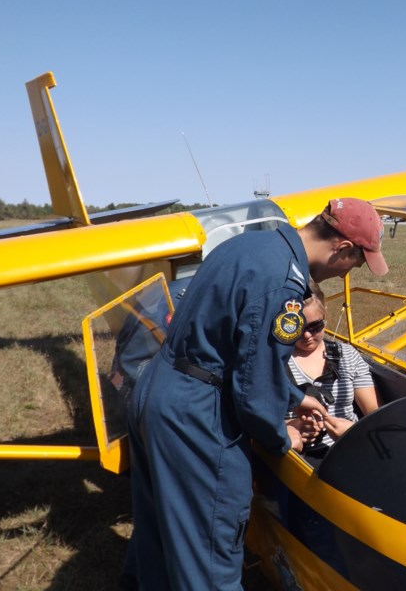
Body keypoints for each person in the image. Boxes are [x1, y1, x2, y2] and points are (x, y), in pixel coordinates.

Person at [124, 198, 388, 591]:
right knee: (210, 547)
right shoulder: (285, 286)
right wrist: (284, 436)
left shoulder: (253, 245)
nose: (352, 271)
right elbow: (254, 384)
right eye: (358, 262)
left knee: (161, 529)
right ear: (342, 249)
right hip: (195, 411)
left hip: (159, 388)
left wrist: (294, 396)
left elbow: (231, 345)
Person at [285, 281, 380, 464]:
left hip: (351, 449)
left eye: (315, 326)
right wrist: (289, 427)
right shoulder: (274, 362)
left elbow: (376, 415)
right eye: (297, 327)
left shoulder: (347, 355)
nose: (307, 335)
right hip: (297, 461)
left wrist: (354, 431)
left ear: (325, 313)